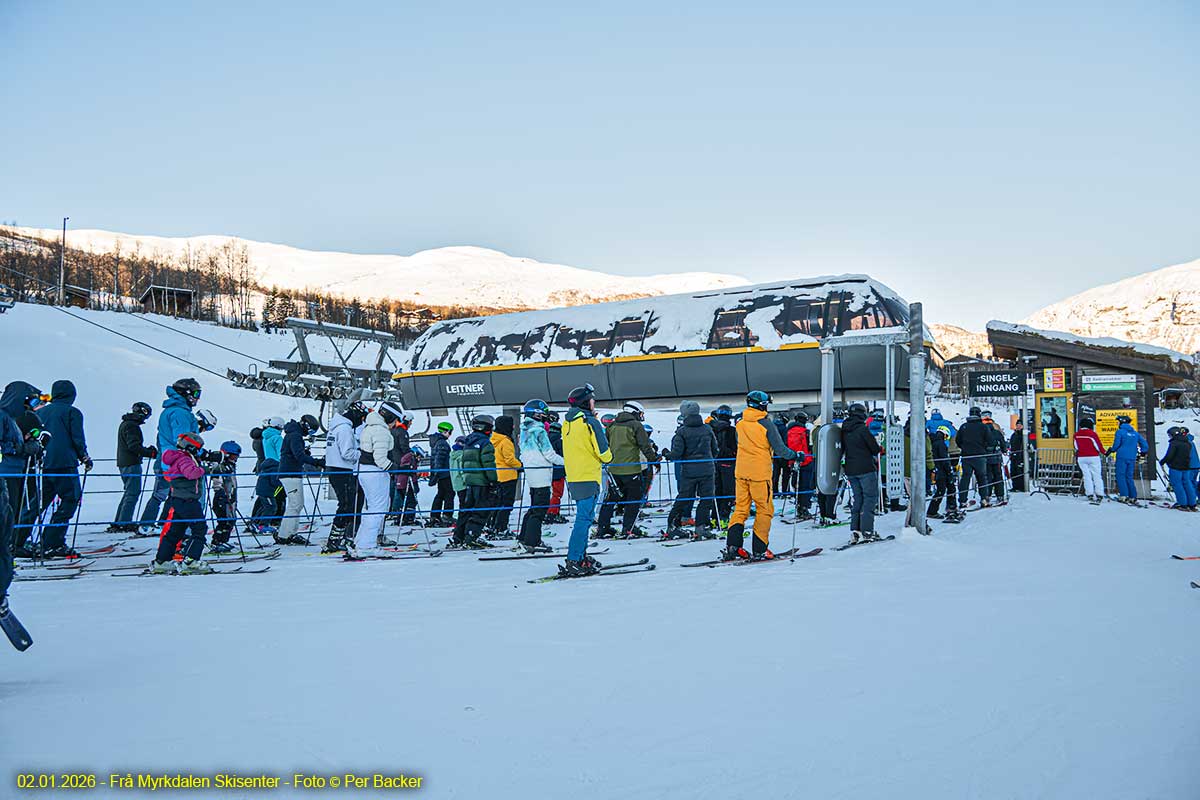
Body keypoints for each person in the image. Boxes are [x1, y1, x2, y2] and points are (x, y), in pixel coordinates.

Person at [723, 390, 796, 560]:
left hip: (741, 472)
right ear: (762, 405)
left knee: (740, 509)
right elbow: (781, 449)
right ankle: (760, 548)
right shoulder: (765, 424)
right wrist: (795, 455)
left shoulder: (740, 423)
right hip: (759, 474)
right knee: (764, 510)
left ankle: (733, 546)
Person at [36, 380, 92, 557]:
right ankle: (53, 541)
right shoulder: (72, 412)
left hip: (45, 463)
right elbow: (77, 438)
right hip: (65, 463)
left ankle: (18, 539)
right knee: (71, 499)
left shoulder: (42, 412)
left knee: (40, 503)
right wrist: (84, 456)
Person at [560, 384, 611, 576]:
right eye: (592, 400)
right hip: (589, 477)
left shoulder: (568, 422)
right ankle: (574, 558)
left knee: (583, 519)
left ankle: (579, 556)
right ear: (585, 402)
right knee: (584, 520)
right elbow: (604, 453)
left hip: (574, 476)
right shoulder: (590, 422)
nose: (593, 403)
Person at [139, 378, 201, 533]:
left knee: (169, 496)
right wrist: (198, 452)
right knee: (172, 495)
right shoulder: (180, 413)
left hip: (168, 460)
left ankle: (161, 524)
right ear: (185, 393)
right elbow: (184, 439)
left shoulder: (172, 410)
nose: (197, 397)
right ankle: (153, 525)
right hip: (177, 464)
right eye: (195, 393)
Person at [149, 432, 216, 574]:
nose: (198, 451)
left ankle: (163, 560)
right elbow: (191, 473)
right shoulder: (184, 459)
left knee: (175, 531)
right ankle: (191, 560)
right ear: (190, 447)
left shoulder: (179, 457)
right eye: (197, 448)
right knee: (199, 528)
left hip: (179, 499)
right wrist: (204, 469)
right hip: (188, 500)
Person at [596, 401, 657, 538]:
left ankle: (603, 527)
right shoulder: (636, 426)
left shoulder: (612, 425)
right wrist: (653, 459)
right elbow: (645, 445)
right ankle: (628, 528)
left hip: (614, 469)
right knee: (633, 500)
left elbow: (605, 444)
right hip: (632, 469)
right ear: (635, 412)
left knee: (610, 499)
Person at [0, 382, 46, 555]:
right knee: (7, 511)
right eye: (29, 403)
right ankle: (7, 548)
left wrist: (28, 443)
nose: (30, 408)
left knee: (14, 510)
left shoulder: (11, 419)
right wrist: (21, 449)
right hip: (5, 473)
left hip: (15, 471)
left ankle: (11, 546)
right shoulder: (2, 416)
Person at [664, 400, 718, 540]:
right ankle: (701, 528)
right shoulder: (707, 429)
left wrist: (666, 454)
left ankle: (673, 526)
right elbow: (715, 449)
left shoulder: (682, 432)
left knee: (684, 498)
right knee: (706, 499)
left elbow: (677, 454)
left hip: (689, 471)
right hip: (707, 469)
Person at [348, 404, 394, 559]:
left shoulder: (368, 427)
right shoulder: (380, 431)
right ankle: (367, 546)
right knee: (379, 509)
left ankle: (361, 541)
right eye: (394, 421)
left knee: (369, 508)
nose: (394, 425)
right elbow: (380, 458)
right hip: (375, 473)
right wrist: (395, 468)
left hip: (365, 471)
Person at [517, 399, 563, 553]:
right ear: (538, 414)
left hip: (531, 472)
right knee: (540, 509)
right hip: (542, 472)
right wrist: (566, 462)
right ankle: (533, 541)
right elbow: (549, 453)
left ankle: (524, 537)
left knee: (534, 507)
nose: (545, 417)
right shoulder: (539, 431)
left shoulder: (524, 430)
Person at [322, 401, 366, 553]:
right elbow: (347, 453)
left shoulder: (335, 427)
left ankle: (337, 537)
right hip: (342, 469)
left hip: (334, 468)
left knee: (345, 504)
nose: (361, 422)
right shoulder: (345, 429)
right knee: (346, 505)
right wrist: (364, 454)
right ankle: (334, 539)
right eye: (361, 418)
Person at [451, 414, 499, 549]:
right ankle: (472, 536)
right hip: (482, 481)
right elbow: (488, 463)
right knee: (481, 510)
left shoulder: (468, 442)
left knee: (467, 509)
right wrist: (493, 480)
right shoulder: (485, 443)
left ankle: (459, 536)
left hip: (470, 481)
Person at [109, 401, 157, 533]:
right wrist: (150, 453)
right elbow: (134, 446)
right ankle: (125, 522)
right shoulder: (132, 426)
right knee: (133, 493)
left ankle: (120, 521)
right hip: (131, 463)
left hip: (124, 462)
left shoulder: (126, 423)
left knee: (129, 492)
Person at [276, 414, 323, 545]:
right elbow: (299, 456)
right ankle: (286, 535)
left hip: (291, 472)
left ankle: (289, 533)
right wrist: (317, 462)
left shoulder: (293, 434)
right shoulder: (295, 436)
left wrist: (304, 453)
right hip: (290, 473)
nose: (309, 434)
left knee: (297, 504)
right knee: (295, 504)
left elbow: (295, 453)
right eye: (310, 431)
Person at [841, 402, 881, 545]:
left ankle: (855, 531)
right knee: (870, 498)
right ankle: (867, 531)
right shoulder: (862, 429)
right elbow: (874, 448)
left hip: (851, 469)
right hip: (866, 469)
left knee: (858, 499)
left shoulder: (844, 429)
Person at [488, 414, 522, 537]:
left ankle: (494, 526)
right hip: (508, 476)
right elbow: (509, 459)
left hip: (497, 475)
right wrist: (520, 465)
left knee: (498, 503)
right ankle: (502, 528)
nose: (513, 427)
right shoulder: (506, 441)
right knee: (507, 504)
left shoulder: (493, 439)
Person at [251, 417, 285, 532]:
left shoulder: (265, 437)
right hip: (276, 468)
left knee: (265, 499)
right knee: (274, 499)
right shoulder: (277, 438)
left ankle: (256, 520)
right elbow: (281, 453)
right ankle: (263, 523)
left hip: (266, 465)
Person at [1106, 414, 1148, 504]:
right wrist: (1143, 453)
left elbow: (1116, 444)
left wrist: (1111, 450)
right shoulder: (1135, 433)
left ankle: (1124, 495)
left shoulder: (1120, 432)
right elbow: (1144, 444)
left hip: (1122, 456)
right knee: (1129, 476)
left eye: (1119, 422)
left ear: (1121, 422)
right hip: (1132, 457)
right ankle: (1133, 496)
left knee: (1121, 476)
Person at [209, 441, 242, 552]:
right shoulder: (220, 465)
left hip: (230, 496)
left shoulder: (231, 465)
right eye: (234, 456)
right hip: (221, 497)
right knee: (224, 521)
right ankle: (217, 542)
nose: (236, 458)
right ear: (226, 454)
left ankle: (224, 541)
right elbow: (215, 475)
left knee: (231, 520)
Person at [956, 407, 991, 508]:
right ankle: (984, 499)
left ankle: (962, 501)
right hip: (980, 455)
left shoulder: (964, 427)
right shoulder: (983, 427)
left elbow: (958, 441)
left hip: (966, 456)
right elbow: (990, 440)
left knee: (965, 478)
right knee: (982, 478)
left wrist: (965, 447)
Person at [709, 405, 738, 525]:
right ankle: (724, 517)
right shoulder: (732, 430)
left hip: (714, 462)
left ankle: (714, 517)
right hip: (728, 462)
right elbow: (736, 445)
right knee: (729, 491)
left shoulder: (710, 428)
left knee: (717, 490)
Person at [1160, 426, 1198, 511]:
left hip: (1176, 467)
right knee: (1187, 484)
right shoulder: (1187, 442)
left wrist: (1163, 461)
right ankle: (1192, 503)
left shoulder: (1174, 443)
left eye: (1170, 435)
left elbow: (1169, 455)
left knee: (1177, 485)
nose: (1169, 437)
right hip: (1186, 467)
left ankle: (1182, 503)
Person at [926, 428, 960, 520]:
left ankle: (949, 507)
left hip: (935, 469)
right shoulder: (941, 444)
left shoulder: (931, 441)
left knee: (945, 488)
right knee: (943, 489)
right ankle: (934, 511)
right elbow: (944, 459)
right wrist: (949, 471)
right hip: (942, 470)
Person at [428, 421, 456, 526]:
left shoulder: (436, 442)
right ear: (445, 431)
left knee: (440, 494)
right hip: (445, 473)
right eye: (450, 432)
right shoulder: (442, 443)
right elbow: (440, 458)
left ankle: (435, 515)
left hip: (440, 473)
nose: (450, 435)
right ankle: (447, 515)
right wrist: (439, 471)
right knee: (449, 494)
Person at [787, 412, 814, 520]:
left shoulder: (788, 431)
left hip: (793, 460)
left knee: (797, 484)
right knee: (806, 485)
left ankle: (798, 505)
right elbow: (809, 446)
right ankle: (804, 507)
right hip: (806, 460)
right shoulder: (805, 432)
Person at [1072, 417, 1105, 502]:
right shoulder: (1092, 434)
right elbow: (1098, 446)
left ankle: (1089, 493)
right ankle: (1099, 493)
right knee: (1097, 475)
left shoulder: (1076, 435)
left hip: (1082, 457)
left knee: (1086, 476)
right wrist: (1104, 452)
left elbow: (1076, 446)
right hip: (1093, 456)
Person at [981, 410, 1009, 505]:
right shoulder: (997, 431)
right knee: (998, 476)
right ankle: (1000, 495)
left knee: (987, 477)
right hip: (996, 457)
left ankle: (987, 495)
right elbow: (1002, 442)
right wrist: (1004, 450)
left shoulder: (981, 431)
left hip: (986, 457)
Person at [545, 412, 568, 524]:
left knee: (550, 493)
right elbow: (565, 456)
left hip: (547, 471)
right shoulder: (560, 442)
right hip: (558, 472)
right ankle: (553, 513)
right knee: (557, 493)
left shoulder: (545, 440)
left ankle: (550, 511)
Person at [772, 412, 791, 497]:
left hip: (775, 453)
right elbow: (786, 442)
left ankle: (774, 491)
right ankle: (785, 491)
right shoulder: (785, 429)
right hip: (784, 453)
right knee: (786, 474)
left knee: (776, 473)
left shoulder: (773, 427)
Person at [1008, 420, 1028, 492]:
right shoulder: (1014, 434)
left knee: (1020, 471)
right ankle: (1015, 486)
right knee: (1013, 471)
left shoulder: (1024, 435)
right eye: (1017, 425)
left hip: (1021, 456)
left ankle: (1022, 486)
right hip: (1014, 455)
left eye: (1020, 425)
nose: (1018, 426)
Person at [449, 436, 468, 508]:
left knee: (461, 502)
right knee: (465, 503)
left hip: (456, 482)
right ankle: (463, 518)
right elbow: (462, 469)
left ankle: (462, 517)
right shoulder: (461, 455)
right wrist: (466, 480)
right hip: (462, 482)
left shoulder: (452, 454)